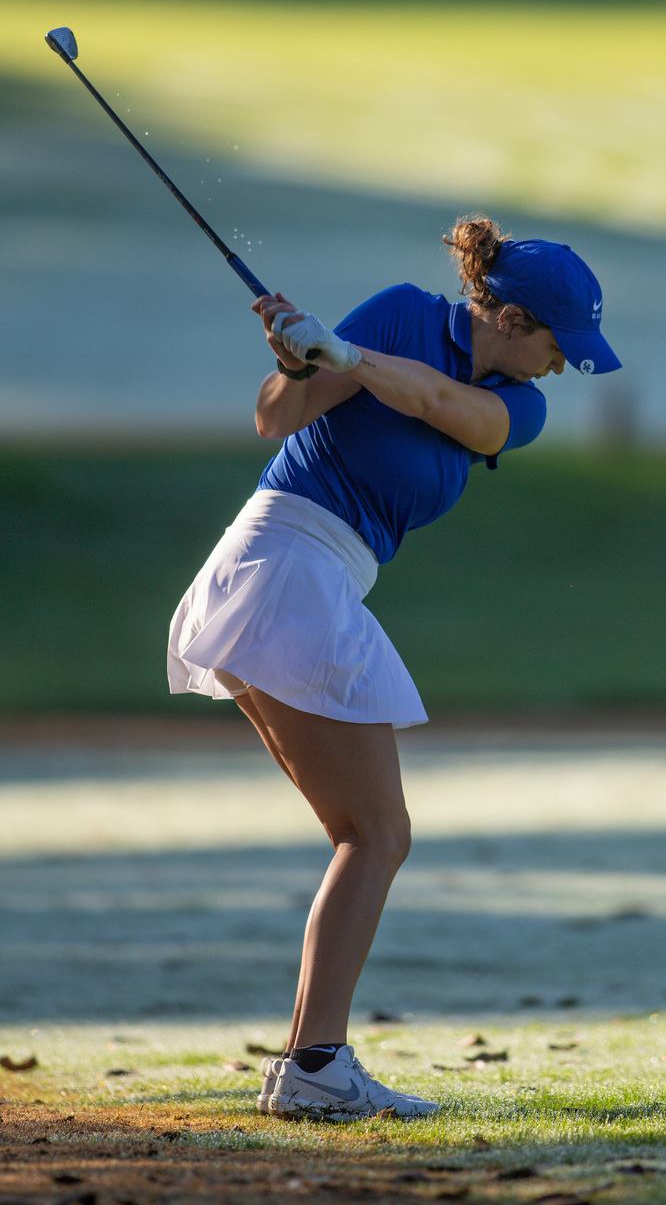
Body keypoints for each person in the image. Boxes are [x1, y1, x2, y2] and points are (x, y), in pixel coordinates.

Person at [167, 216, 621, 1123]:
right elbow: (275, 419)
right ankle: (315, 1064)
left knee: (367, 834)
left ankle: (308, 1064)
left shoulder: (515, 405)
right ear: (510, 318)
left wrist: (346, 355)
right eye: (557, 345)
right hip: (283, 561)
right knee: (375, 835)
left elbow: (443, 405)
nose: (561, 367)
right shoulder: (402, 314)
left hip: (306, 579)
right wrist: (300, 365)